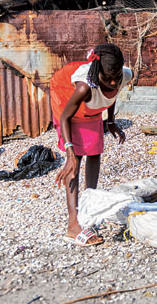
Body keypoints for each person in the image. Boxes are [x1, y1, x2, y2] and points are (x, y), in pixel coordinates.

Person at [51, 43, 132, 246]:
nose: (113, 82)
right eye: (108, 79)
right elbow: (64, 118)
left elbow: (112, 94)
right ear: (97, 74)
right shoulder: (83, 86)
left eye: (117, 78)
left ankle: (89, 209)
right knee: (76, 161)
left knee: (94, 152)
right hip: (67, 106)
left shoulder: (124, 75)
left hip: (91, 110)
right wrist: (69, 154)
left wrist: (111, 121)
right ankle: (73, 225)